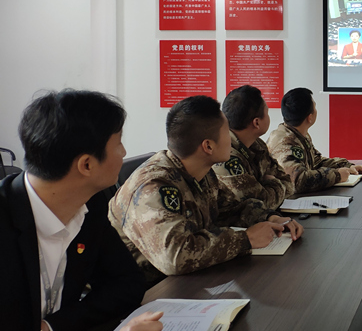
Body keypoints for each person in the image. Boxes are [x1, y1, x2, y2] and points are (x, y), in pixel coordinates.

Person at [0, 90, 164, 331]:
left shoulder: (89, 204)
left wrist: (53, 330)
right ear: (86, 165)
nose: (124, 151)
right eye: (118, 143)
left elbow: (127, 282)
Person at [109, 95, 303, 284]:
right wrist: (246, 239)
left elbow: (230, 209)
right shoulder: (152, 187)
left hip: (186, 281)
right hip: (146, 292)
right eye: (226, 132)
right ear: (208, 146)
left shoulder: (202, 173)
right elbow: (176, 256)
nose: (232, 139)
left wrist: (270, 218)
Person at [267, 88, 362, 193]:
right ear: (310, 117)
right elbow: (298, 181)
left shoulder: (298, 135)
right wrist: (337, 175)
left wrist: (348, 166)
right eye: (315, 107)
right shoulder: (284, 142)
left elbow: (316, 161)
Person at [214, 85, 294, 210]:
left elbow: (288, 183)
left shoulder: (257, 145)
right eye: (267, 113)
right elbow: (260, 205)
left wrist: (268, 188)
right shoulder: (226, 157)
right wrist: (273, 182)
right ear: (257, 122)